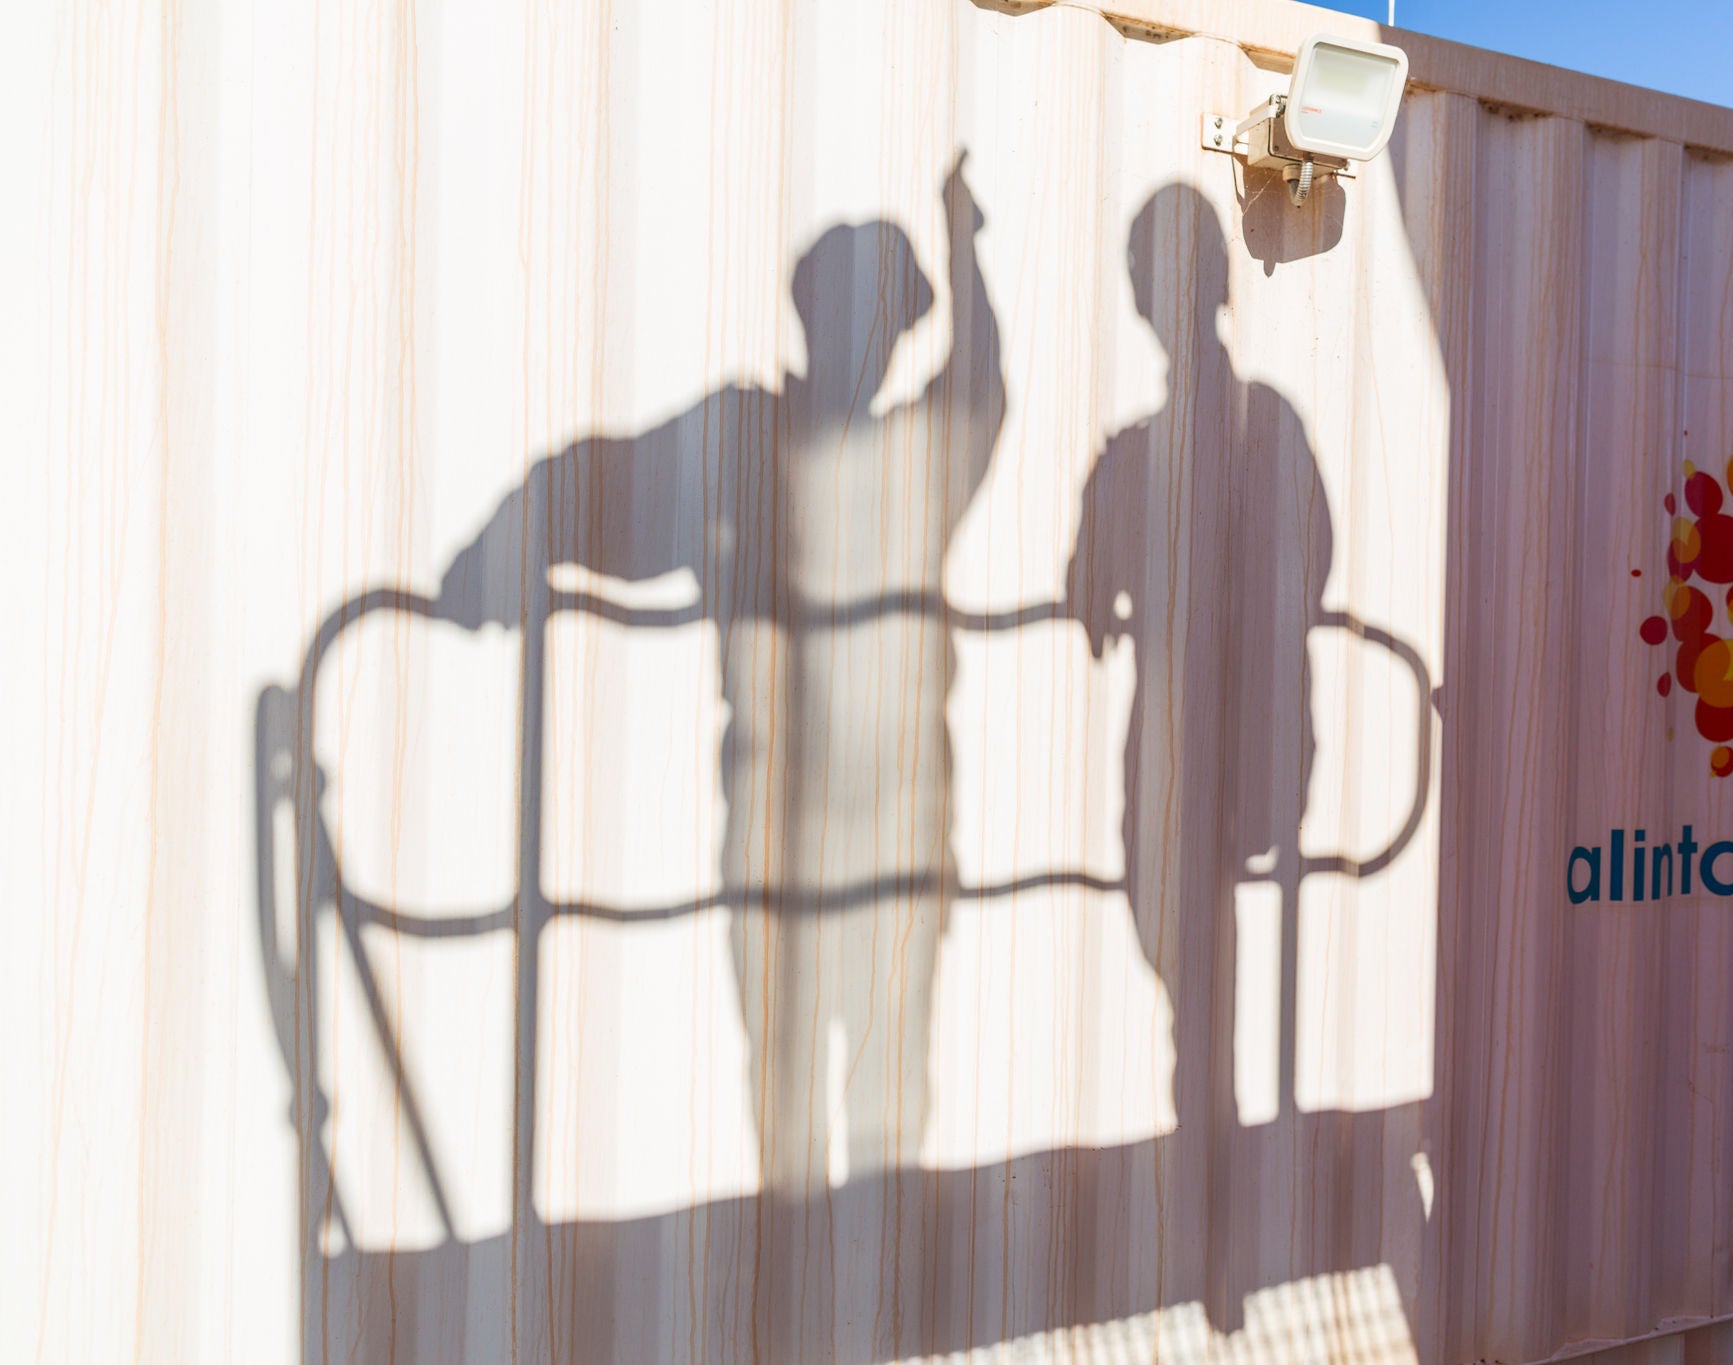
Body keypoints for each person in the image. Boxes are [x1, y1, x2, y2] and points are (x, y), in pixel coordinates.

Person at [435, 152, 1004, 1204]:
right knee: (803, 1096)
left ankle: (849, 1301)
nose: (870, 342)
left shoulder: (842, 442)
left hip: (873, 831)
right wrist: (500, 550)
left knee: (865, 1095)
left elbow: (982, 386)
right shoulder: (757, 434)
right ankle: (826, 1302)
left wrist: (498, 551)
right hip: (809, 831)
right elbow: (588, 484)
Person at [1062, 183, 1332, 1319]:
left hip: (1213, 754)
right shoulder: (1198, 438)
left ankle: (1211, 1241)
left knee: (1200, 992)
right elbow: (1091, 591)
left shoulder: (1180, 442)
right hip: (1214, 750)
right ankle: (1213, 1227)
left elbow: (1087, 603)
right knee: (1197, 985)